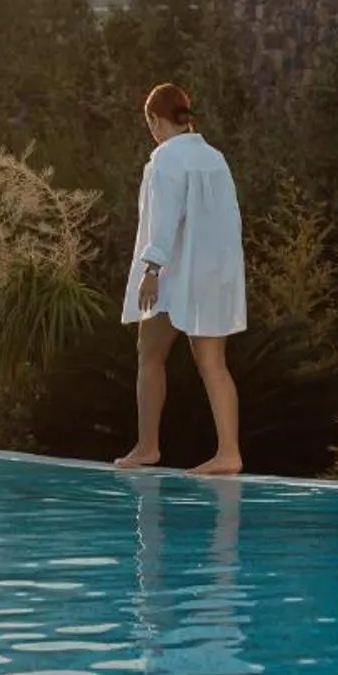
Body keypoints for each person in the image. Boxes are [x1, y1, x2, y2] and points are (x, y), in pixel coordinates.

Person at [116, 82, 248, 475]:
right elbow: (230, 220)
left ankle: (147, 446)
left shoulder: (166, 159)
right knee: (213, 362)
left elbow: (163, 219)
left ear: (155, 120)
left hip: (175, 271)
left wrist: (151, 270)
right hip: (214, 272)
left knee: (149, 352)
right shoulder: (214, 157)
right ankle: (229, 452)